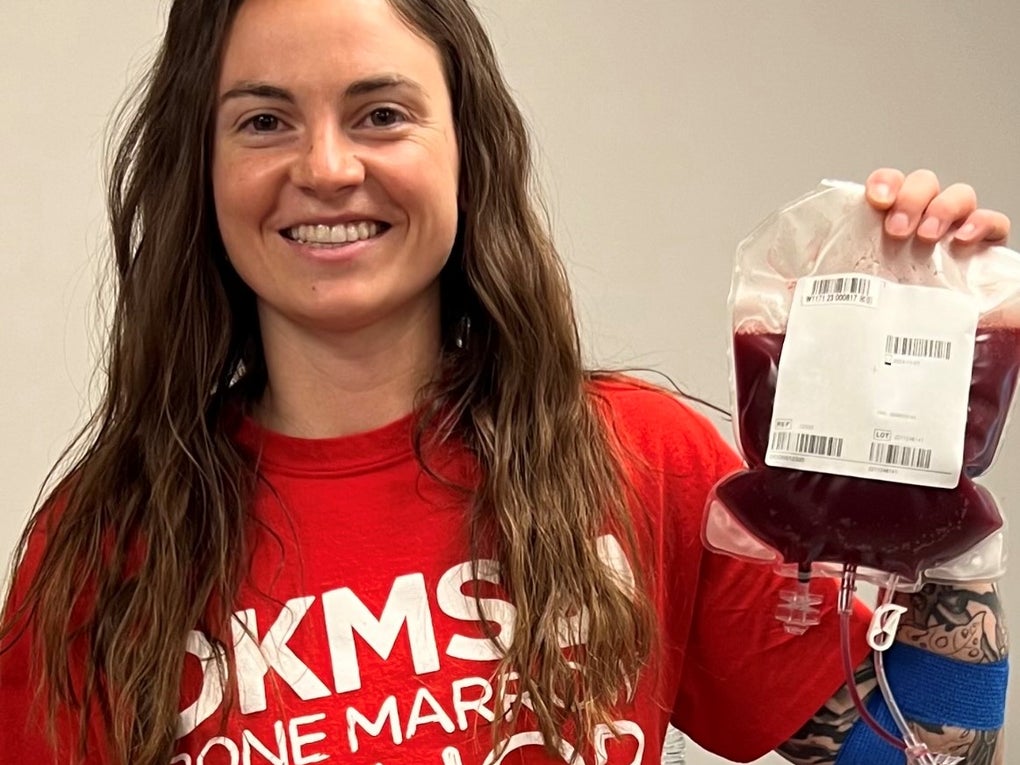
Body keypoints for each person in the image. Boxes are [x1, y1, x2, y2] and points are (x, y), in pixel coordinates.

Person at [0, 1, 1011, 763]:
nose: (326, 166)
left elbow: (916, 748)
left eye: (382, 114)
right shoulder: (104, 545)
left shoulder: (634, 458)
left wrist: (910, 473)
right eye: (262, 121)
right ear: (205, 169)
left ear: (466, 152)